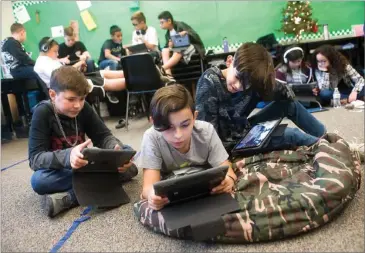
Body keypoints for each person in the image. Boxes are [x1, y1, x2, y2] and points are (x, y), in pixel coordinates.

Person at [28, 66, 138, 218]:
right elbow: (35, 159)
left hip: (87, 164)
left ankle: (69, 198)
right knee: (39, 181)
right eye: (71, 99)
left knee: (128, 157)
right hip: (64, 169)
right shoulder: (43, 112)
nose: (77, 105)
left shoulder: (83, 108)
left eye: (82, 98)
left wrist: (115, 149)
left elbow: (103, 136)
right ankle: (99, 185)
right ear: (53, 94)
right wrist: (69, 156)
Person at [195, 42, 326, 152]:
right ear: (230, 61)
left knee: (291, 105)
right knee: (291, 135)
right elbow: (206, 136)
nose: (238, 85)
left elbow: (285, 93)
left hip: (242, 128)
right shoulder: (209, 83)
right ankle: (328, 149)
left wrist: (278, 87)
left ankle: (326, 137)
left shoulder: (254, 82)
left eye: (246, 84)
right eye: (237, 77)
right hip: (228, 144)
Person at [134, 84, 236, 211]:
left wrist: (228, 180)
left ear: (194, 117)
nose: (178, 135)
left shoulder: (206, 131)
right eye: (169, 127)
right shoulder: (151, 137)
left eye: (185, 125)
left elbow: (227, 170)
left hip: (206, 185)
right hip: (172, 191)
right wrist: (152, 197)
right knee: (147, 208)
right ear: (154, 123)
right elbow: (148, 188)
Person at [35, 37, 126, 104]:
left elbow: (65, 72)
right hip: (69, 87)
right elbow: (63, 75)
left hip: (71, 82)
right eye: (55, 51)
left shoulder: (47, 60)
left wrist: (79, 68)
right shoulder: (43, 63)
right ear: (45, 49)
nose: (57, 54)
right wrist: (78, 64)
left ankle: (130, 73)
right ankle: (134, 79)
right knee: (105, 82)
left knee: (102, 73)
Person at [157, 11, 205, 76]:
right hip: (179, 50)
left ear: (169, 21)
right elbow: (168, 47)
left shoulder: (180, 25)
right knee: (164, 50)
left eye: (162, 22)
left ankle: (162, 68)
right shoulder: (167, 34)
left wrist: (185, 33)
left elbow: (194, 36)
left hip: (192, 46)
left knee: (178, 50)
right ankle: (168, 74)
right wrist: (170, 45)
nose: (160, 25)